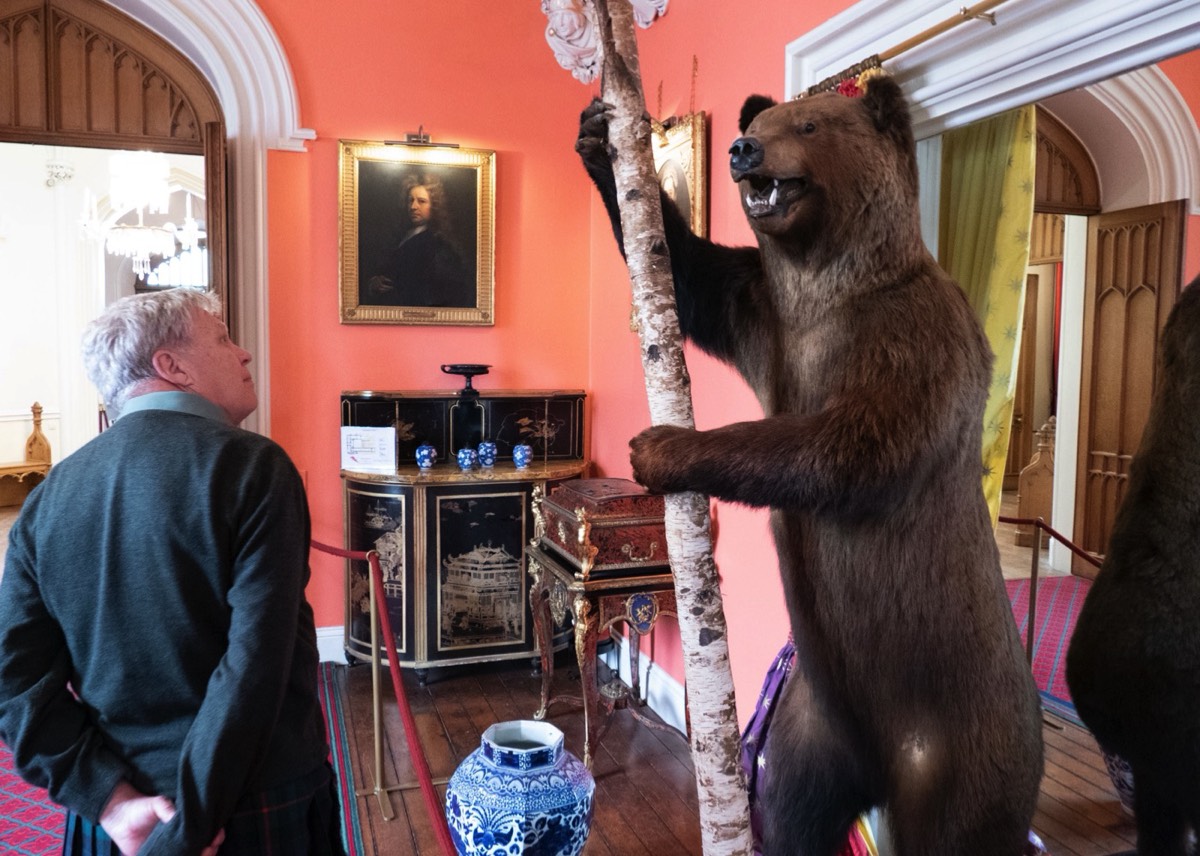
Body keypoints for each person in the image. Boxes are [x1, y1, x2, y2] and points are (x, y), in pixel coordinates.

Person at [0, 289, 344, 856]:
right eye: (223, 337)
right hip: (245, 807)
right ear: (171, 365)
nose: (244, 353)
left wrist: (110, 801)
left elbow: (16, 686)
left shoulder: (49, 496)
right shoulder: (252, 466)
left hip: (122, 821)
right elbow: (252, 669)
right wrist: (184, 831)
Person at [364, 173, 475, 307]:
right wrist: (374, 282)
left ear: (434, 206)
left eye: (421, 201)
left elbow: (437, 291)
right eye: (410, 200)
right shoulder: (400, 235)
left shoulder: (438, 244)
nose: (413, 207)